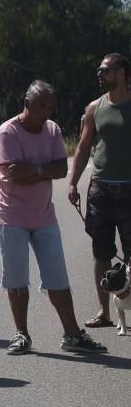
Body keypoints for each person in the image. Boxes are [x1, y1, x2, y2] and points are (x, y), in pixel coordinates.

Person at [0, 81, 107, 354]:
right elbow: (15, 177)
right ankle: (21, 334)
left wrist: (33, 169)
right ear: (27, 103)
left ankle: (72, 334)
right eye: (41, 106)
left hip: (44, 216)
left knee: (58, 278)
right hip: (13, 217)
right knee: (17, 279)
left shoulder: (52, 130)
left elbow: (60, 169)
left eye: (49, 107)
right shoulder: (8, 131)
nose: (46, 112)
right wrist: (43, 170)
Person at [68, 53, 131, 328]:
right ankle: (104, 312)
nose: (100, 74)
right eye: (99, 70)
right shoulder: (95, 108)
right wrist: (72, 181)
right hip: (100, 191)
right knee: (101, 252)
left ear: (121, 73)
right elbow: (83, 148)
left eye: (104, 70)